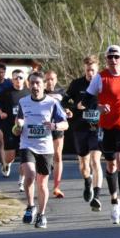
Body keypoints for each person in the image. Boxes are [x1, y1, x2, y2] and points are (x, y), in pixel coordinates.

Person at [86, 45, 120, 225]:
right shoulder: (99, 78)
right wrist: (98, 107)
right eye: (110, 57)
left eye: (116, 57)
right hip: (107, 126)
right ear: (106, 59)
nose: (113, 60)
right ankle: (114, 201)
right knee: (110, 165)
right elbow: (87, 100)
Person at [13, 72, 68, 228]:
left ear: (44, 85)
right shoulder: (23, 102)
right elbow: (19, 121)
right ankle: (30, 206)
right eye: (32, 83)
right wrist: (18, 127)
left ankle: (42, 215)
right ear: (28, 85)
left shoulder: (52, 103)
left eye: (38, 83)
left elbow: (65, 124)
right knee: (29, 175)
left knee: (42, 183)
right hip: (27, 144)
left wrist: (54, 126)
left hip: (45, 147)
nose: (35, 86)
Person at [65, 56, 104, 211]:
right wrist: (73, 107)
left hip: (97, 128)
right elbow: (64, 100)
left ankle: (97, 196)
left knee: (95, 161)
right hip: (80, 128)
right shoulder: (77, 84)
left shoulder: (102, 84)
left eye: (93, 70)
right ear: (84, 69)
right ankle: (88, 181)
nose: (90, 73)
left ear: (97, 69)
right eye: (87, 70)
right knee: (83, 165)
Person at [0, 69, 29, 185]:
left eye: (21, 77)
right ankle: (7, 164)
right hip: (9, 127)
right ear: (12, 80)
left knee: (24, 154)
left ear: (24, 79)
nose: (18, 80)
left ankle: (21, 180)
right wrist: (0, 113)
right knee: (10, 156)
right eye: (16, 78)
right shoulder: (6, 92)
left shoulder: (29, 93)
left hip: (25, 128)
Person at [43, 69, 72, 198]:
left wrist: (68, 111)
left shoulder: (62, 93)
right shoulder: (39, 92)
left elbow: (67, 107)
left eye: (52, 79)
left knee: (58, 156)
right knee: (44, 158)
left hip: (57, 127)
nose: (49, 82)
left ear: (56, 80)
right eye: (47, 79)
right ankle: (41, 184)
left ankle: (56, 187)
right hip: (42, 129)